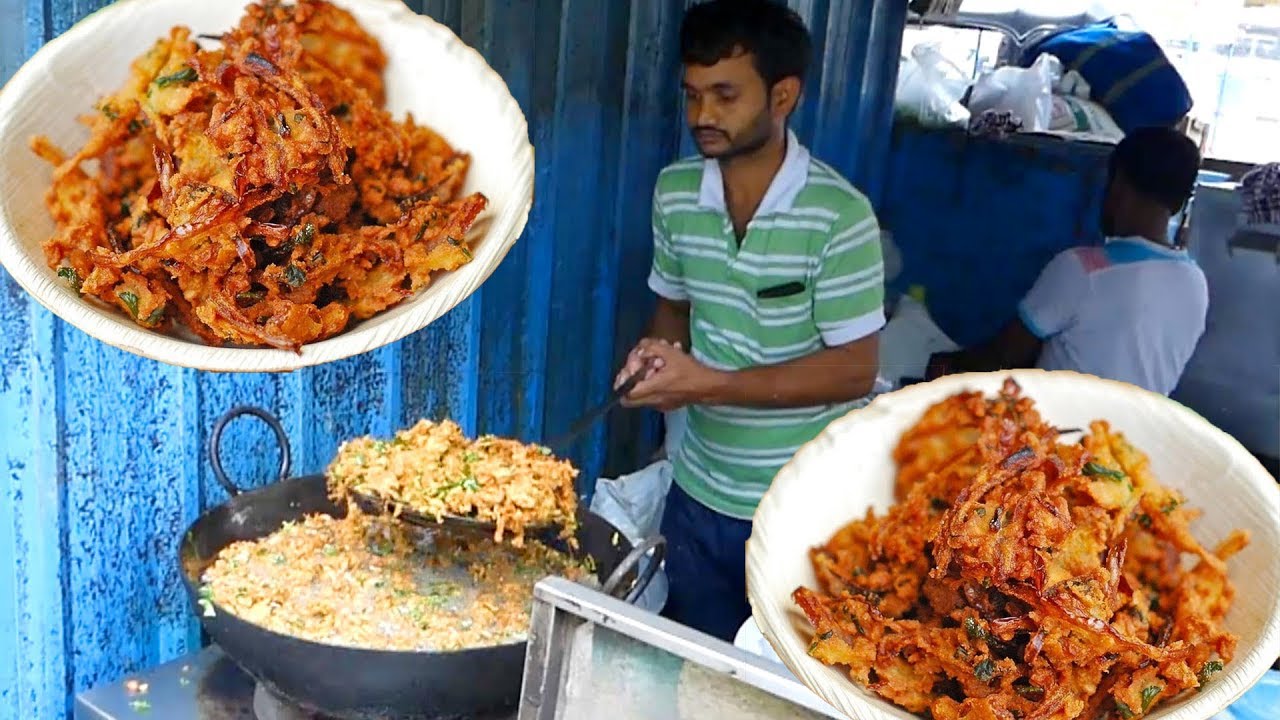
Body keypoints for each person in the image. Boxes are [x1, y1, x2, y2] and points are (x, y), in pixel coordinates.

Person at [613, 0, 885, 642]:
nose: (703, 116)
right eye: (693, 95)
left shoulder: (839, 216)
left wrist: (706, 383)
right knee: (690, 668)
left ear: (783, 95)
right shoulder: (676, 193)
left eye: (726, 95)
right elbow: (675, 305)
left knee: (784, 684)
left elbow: (855, 369)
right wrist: (658, 355)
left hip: (801, 508)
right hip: (697, 494)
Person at [926, 127, 1207, 397]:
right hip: (1130, 442)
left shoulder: (1084, 269)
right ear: (1181, 202)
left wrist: (945, 366)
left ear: (1118, 184)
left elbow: (1002, 356)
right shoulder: (1196, 284)